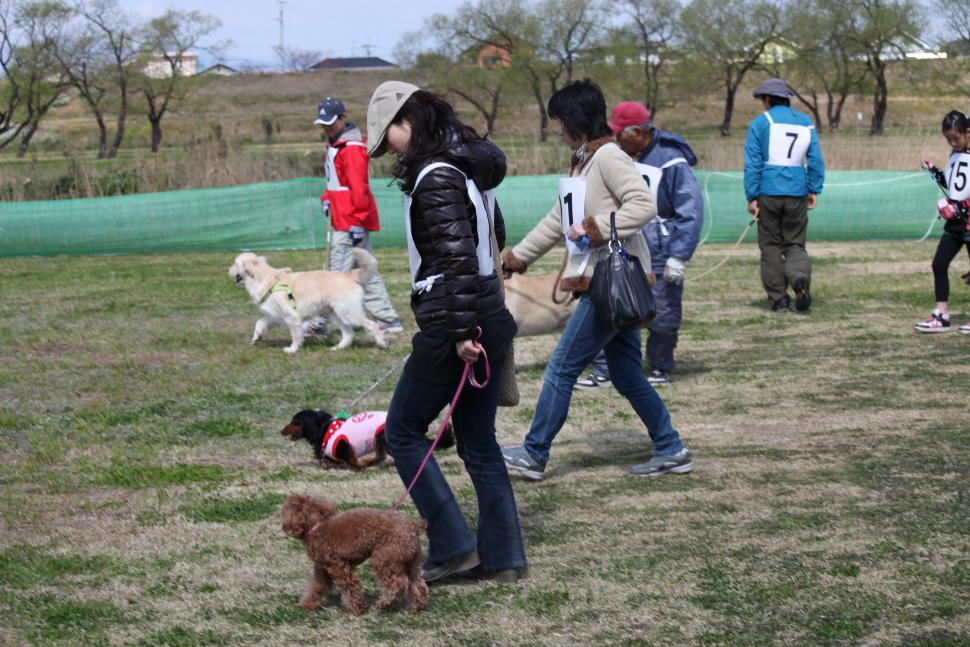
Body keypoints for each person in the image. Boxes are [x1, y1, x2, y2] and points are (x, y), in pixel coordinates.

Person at [366, 81, 526, 583]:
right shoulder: (467, 169)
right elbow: (492, 240)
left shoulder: (435, 176)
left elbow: (455, 258)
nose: (386, 149)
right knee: (480, 444)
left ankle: (454, 545)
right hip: (489, 314)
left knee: (403, 431)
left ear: (406, 123)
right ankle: (503, 558)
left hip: (455, 321)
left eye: (386, 136)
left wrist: (458, 331)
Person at [500, 79, 693, 480]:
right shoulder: (585, 160)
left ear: (574, 121)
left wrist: (596, 227)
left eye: (558, 121)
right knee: (625, 373)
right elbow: (559, 220)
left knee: (561, 368)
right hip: (604, 279)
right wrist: (517, 259)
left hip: (609, 281)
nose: (556, 130)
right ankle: (671, 448)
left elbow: (644, 204)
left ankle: (534, 454)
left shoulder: (607, 157)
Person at [576, 101, 704, 389]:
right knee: (608, 307)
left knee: (663, 311)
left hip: (660, 251)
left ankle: (660, 366)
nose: (617, 137)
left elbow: (690, 210)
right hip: (620, 245)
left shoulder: (672, 160)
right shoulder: (614, 157)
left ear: (638, 131)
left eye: (621, 132)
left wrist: (679, 256)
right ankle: (603, 370)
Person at [310, 96, 403, 336]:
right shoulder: (336, 145)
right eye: (323, 123)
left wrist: (358, 222)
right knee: (366, 270)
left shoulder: (350, 149)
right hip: (342, 217)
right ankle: (388, 318)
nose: (326, 127)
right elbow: (336, 183)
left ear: (344, 118)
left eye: (331, 122)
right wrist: (326, 200)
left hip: (349, 221)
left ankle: (319, 323)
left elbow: (358, 188)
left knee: (334, 275)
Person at [743, 78, 825, 313]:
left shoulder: (761, 123)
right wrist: (813, 188)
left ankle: (779, 299)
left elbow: (753, 163)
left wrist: (752, 195)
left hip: (768, 192)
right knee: (795, 244)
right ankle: (800, 278)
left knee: (770, 246)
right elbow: (816, 160)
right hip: (797, 192)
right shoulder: (806, 122)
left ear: (768, 100)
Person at [913, 110, 970, 334]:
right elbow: (954, 183)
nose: (952, 143)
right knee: (939, 264)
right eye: (948, 139)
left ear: (967, 132)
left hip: (967, 219)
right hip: (954, 221)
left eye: (955, 138)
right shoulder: (954, 154)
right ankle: (941, 315)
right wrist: (935, 173)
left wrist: (961, 207)